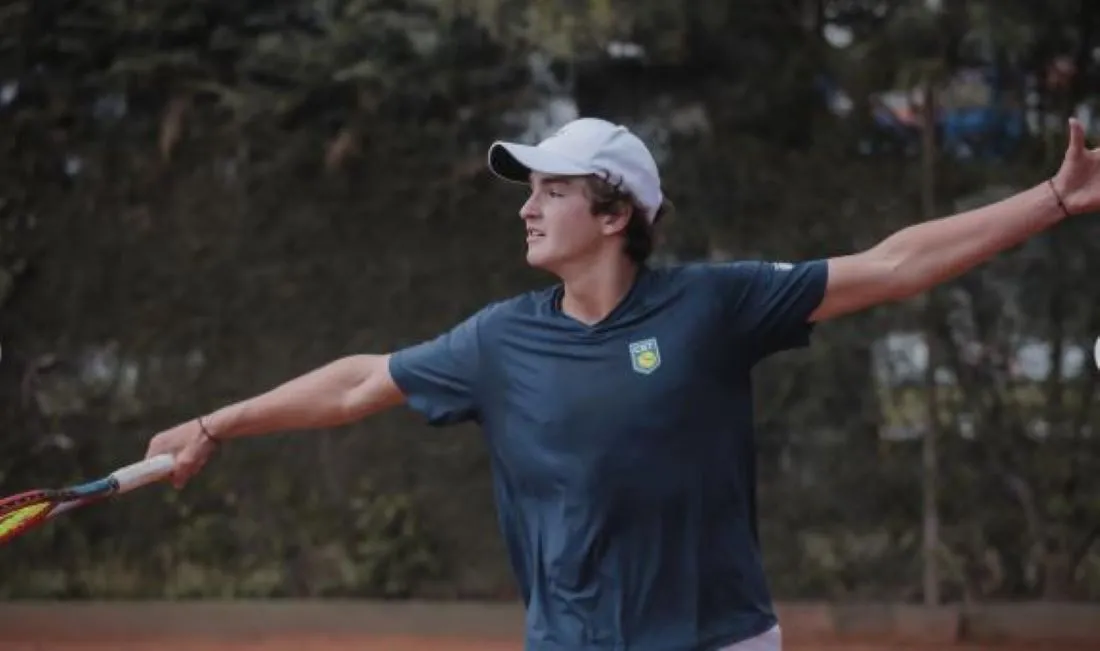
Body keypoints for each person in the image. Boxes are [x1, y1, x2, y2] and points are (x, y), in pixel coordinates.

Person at [146, 116, 1099, 651]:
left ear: (615, 213)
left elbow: (893, 264)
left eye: (550, 191)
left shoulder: (713, 306)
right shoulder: (498, 341)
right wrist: (215, 421)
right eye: (529, 190)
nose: (526, 207)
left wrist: (1055, 199)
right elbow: (357, 387)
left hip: (720, 640)